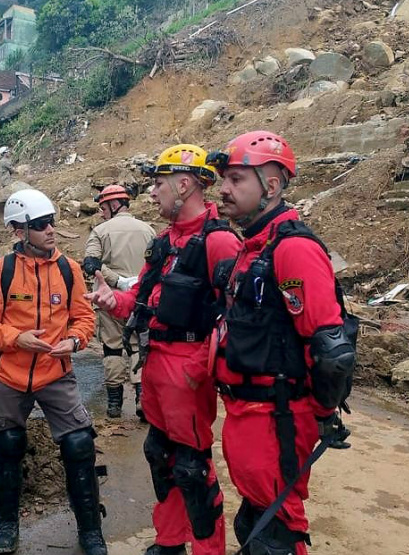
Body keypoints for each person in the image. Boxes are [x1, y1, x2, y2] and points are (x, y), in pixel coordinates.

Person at [86, 144, 241, 555]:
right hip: (156, 364)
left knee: (193, 468)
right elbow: (139, 298)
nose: (151, 193)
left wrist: (206, 366)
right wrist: (110, 301)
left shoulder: (219, 242)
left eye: (158, 184)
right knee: (161, 455)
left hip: (188, 371)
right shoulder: (163, 241)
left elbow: (237, 317)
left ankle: (209, 549)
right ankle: (170, 541)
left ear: (185, 184)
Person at [207, 131, 354, 555]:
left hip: (276, 415)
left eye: (236, 179)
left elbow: (330, 348)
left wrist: (323, 412)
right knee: (256, 516)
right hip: (247, 410)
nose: (223, 189)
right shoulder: (253, 249)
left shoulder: (293, 249)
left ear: (271, 186)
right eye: (224, 180)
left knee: (276, 529)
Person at [0, 189, 106, 555]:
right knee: (8, 445)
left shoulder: (69, 269)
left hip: (55, 372)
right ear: (19, 231)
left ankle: (90, 530)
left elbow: (84, 317)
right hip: (9, 375)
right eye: (41, 225)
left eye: (52, 222)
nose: (51, 230)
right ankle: (6, 525)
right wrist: (16, 338)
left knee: (79, 445)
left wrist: (75, 342)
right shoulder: (2, 270)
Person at [83, 184, 156, 419]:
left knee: (112, 347)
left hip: (109, 298)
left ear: (113, 205)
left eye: (103, 207)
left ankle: (114, 404)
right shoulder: (149, 231)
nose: (102, 212)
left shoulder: (100, 231)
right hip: (141, 299)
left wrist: (118, 281)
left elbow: (90, 264)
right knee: (138, 346)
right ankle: (142, 400)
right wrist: (134, 282)